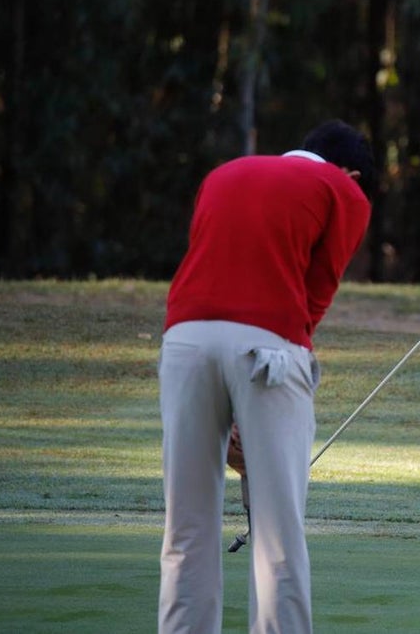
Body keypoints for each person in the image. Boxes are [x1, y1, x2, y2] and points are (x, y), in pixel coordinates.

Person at [158, 119, 376, 633]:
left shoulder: (224, 173)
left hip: (183, 338)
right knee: (277, 534)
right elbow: (314, 295)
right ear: (352, 174)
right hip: (268, 347)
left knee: (186, 529)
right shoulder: (344, 191)